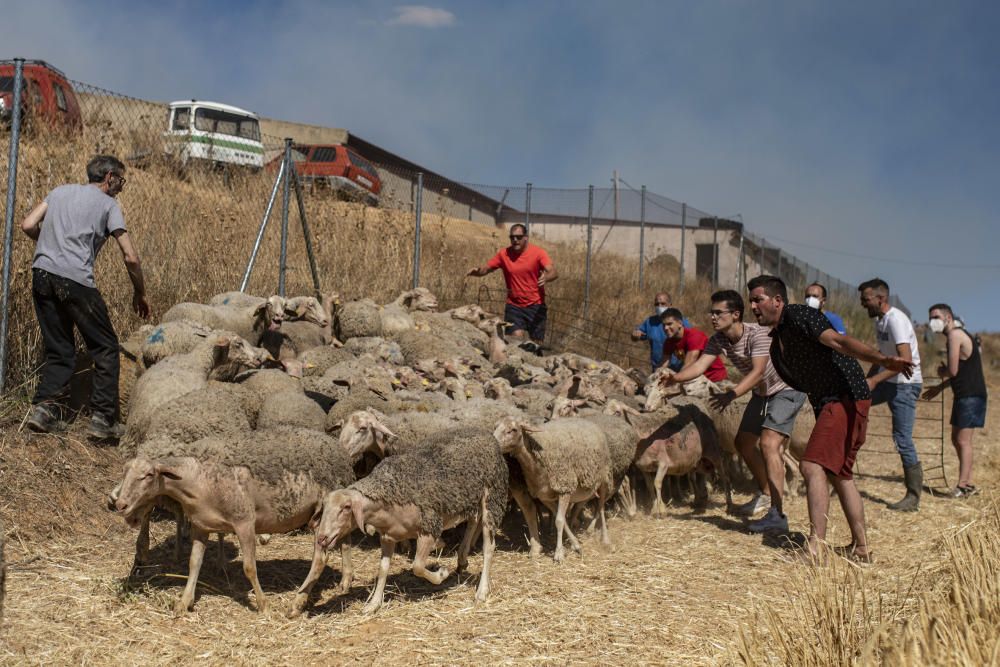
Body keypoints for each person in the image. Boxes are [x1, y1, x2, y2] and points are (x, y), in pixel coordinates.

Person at [748, 275, 912, 562]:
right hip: (835, 400)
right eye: (750, 300)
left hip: (845, 396)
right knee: (841, 475)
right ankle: (861, 549)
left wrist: (882, 360)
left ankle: (815, 549)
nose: (753, 306)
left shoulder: (798, 315)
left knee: (812, 466)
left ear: (777, 300)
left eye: (757, 299)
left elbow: (837, 340)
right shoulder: (778, 342)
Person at [21, 155, 150, 440]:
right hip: (75, 280)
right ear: (109, 178)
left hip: (42, 274)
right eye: (120, 179)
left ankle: (45, 410)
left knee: (59, 347)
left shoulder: (59, 192)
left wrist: (51, 245)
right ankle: (103, 419)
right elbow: (130, 256)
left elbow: (28, 224)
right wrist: (139, 292)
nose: (120, 185)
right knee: (104, 347)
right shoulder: (108, 205)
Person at [661, 290, 806, 533]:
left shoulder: (757, 334)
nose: (713, 317)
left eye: (718, 313)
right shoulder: (718, 340)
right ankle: (766, 494)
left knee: (769, 444)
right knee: (743, 443)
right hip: (762, 393)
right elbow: (699, 366)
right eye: (712, 312)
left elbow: (758, 371)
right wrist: (675, 378)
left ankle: (777, 515)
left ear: (736, 314)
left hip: (785, 389)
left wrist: (732, 394)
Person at [858, 278, 924, 511]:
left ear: (881, 298)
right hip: (890, 381)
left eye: (866, 299)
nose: (862, 304)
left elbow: (904, 360)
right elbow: (884, 357)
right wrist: (865, 380)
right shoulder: (881, 321)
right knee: (854, 402)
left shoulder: (896, 320)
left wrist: (875, 380)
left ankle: (913, 497)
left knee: (902, 438)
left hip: (905, 384)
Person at [922, 304, 987, 497]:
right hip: (964, 395)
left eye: (936, 317)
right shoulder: (956, 335)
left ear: (948, 317)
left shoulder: (954, 336)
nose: (933, 321)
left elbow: (952, 371)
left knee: (963, 440)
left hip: (971, 396)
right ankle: (966, 483)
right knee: (956, 439)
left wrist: (942, 372)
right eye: (931, 317)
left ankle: (964, 485)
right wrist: (938, 388)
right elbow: (960, 373)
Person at [467, 223, 557, 349]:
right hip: (514, 306)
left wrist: (546, 277)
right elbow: (487, 268)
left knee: (536, 345)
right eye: (512, 237)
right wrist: (477, 271)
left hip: (536, 306)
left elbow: (553, 271)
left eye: (518, 237)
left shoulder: (538, 253)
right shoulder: (504, 254)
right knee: (515, 342)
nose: (515, 240)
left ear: (526, 237)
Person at [659, 308, 727, 382]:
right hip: (695, 378)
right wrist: (656, 377)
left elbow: (689, 364)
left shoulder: (694, 336)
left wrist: (674, 380)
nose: (665, 328)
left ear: (680, 323)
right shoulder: (668, 342)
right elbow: (663, 364)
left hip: (715, 378)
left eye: (669, 324)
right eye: (664, 325)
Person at [631, 292, 689, 372]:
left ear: (670, 305)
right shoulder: (650, 322)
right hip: (658, 369)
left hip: (679, 370)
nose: (659, 307)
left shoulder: (680, 321)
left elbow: (690, 341)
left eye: (663, 304)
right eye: (657, 304)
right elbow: (636, 335)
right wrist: (635, 335)